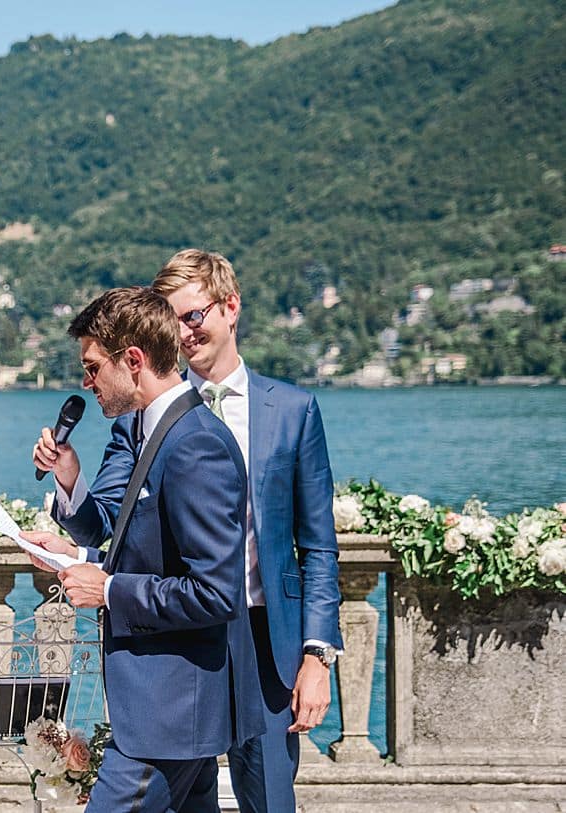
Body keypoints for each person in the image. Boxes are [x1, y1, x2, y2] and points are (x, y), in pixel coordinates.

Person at [25, 287, 264, 812]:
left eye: (92, 368)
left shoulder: (194, 444)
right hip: (168, 712)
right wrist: (81, 560)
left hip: (168, 715)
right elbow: (153, 555)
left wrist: (107, 589)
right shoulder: (154, 432)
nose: (87, 384)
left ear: (132, 360)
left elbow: (215, 592)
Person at [153, 249, 343, 813]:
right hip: (183, 643)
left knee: (269, 802)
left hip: (267, 643)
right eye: (172, 323)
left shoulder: (293, 410)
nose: (184, 334)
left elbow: (318, 547)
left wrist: (316, 658)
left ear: (230, 308)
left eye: (193, 316)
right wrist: (69, 489)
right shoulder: (155, 411)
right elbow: (120, 522)